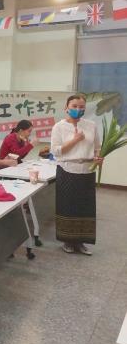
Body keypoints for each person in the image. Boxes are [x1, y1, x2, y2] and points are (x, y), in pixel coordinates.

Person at [51, 95, 102, 255]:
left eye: (81, 107)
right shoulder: (59, 127)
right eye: (74, 106)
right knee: (68, 206)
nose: (78, 109)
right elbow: (56, 151)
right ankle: (68, 241)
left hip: (87, 170)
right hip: (67, 169)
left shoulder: (91, 125)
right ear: (66, 107)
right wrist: (74, 140)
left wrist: (98, 157)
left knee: (85, 207)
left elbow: (97, 147)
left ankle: (81, 242)